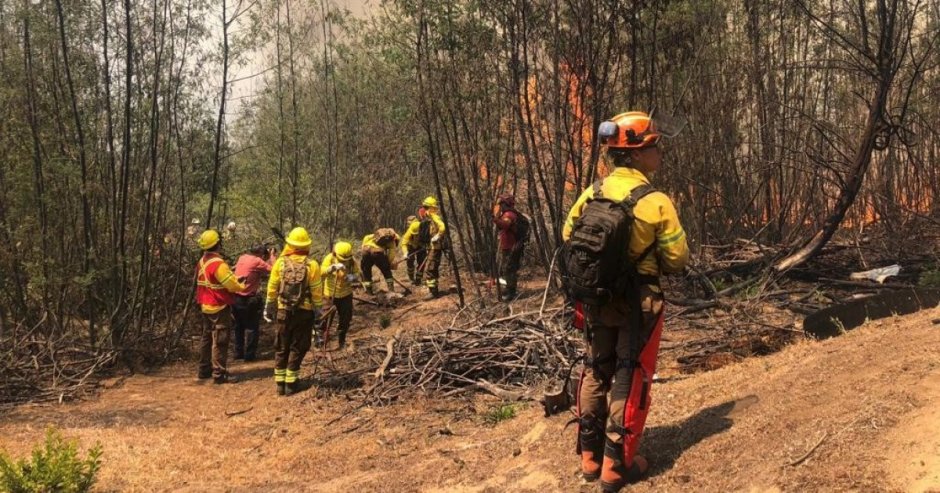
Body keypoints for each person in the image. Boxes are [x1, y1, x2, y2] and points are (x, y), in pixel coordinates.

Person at [562, 111, 688, 492]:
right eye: (654, 146)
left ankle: (589, 455)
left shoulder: (592, 193)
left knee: (596, 367)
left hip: (596, 300)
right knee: (630, 374)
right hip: (639, 304)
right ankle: (617, 465)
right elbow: (677, 260)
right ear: (635, 154)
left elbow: (570, 235)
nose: (659, 153)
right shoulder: (655, 202)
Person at [263, 228, 322, 396]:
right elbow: (317, 293)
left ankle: (280, 385)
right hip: (304, 313)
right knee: (298, 347)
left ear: (290, 244)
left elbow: (272, 288)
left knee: (282, 346)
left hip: (283, 311)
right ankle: (291, 384)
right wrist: (319, 315)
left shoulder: (280, 263)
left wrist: (268, 307)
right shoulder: (312, 265)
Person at [194, 229, 246, 384]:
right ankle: (219, 374)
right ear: (218, 244)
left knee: (207, 338)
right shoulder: (218, 263)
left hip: (205, 305)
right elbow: (231, 285)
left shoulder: (202, 261)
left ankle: (204, 370)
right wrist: (241, 285)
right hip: (218, 306)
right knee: (220, 340)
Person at [232, 244, 272, 361]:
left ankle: (238, 353)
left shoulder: (242, 257)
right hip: (248, 299)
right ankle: (250, 355)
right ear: (261, 253)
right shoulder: (257, 261)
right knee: (252, 327)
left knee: (238, 326)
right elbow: (274, 269)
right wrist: (272, 256)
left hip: (236, 297)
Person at [320, 241, 361, 350]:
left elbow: (358, 274)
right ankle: (322, 341)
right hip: (330, 295)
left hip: (346, 295)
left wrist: (351, 277)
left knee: (345, 319)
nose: (344, 261)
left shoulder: (351, 261)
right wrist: (331, 268)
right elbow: (321, 272)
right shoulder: (330, 259)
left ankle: (341, 341)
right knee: (325, 319)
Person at [492, 193, 527, 301]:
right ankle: (508, 289)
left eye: (501, 203)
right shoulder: (506, 214)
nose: (499, 206)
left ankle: (511, 292)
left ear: (505, 204)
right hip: (508, 246)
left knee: (509, 269)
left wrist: (494, 218)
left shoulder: (509, 214)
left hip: (512, 246)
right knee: (507, 268)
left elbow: (505, 225)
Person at [420, 196, 447, 298]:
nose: (425, 210)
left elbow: (442, 227)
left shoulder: (434, 216)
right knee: (433, 268)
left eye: (426, 207)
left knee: (430, 269)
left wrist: (437, 236)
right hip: (432, 247)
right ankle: (434, 291)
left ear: (431, 208)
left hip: (435, 247)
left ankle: (432, 292)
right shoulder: (430, 217)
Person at [360, 228, 400, 294]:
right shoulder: (392, 241)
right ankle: (391, 291)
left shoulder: (373, 236)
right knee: (387, 273)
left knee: (366, 272)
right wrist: (388, 264)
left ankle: (369, 292)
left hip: (365, 250)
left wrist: (364, 250)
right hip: (377, 252)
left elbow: (365, 239)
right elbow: (391, 255)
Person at [401, 212, 429, 286]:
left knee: (422, 263)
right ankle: (411, 278)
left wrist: (428, 247)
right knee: (410, 261)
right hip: (411, 246)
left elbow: (429, 238)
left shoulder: (424, 229)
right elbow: (404, 243)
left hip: (421, 246)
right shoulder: (409, 232)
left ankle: (418, 280)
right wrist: (405, 253)